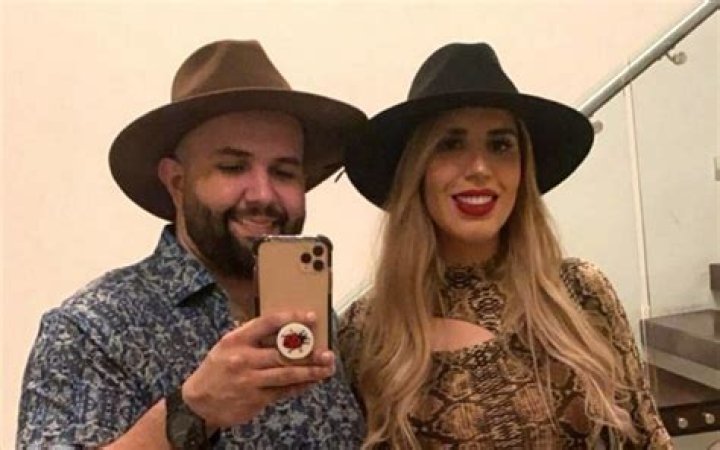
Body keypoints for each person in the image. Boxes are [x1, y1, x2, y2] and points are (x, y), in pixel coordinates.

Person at [17, 40, 366, 448]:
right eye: (232, 167)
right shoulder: (93, 328)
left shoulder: (322, 327)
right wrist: (194, 410)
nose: (262, 194)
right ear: (177, 182)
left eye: (284, 172)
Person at [339, 42, 672, 449]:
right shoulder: (367, 329)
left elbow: (649, 436)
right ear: (417, 169)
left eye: (500, 146)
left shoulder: (579, 291)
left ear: (522, 169)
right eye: (450, 144)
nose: (480, 168)